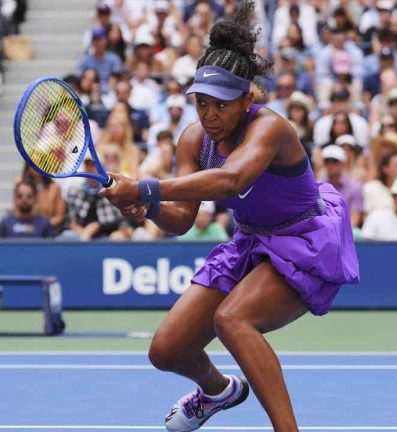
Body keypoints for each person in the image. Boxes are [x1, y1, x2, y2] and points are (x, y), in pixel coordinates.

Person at [99, 3, 360, 431]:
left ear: (247, 99)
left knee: (233, 318)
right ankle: (218, 391)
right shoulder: (193, 140)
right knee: (167, 350)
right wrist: (148, 207)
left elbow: (231, 180)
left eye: (221, 104)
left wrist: (144, 187)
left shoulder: (270, 128)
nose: (209, 114)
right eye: (202, 103)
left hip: (304, 240)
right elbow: (182, 220)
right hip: (251, 242)